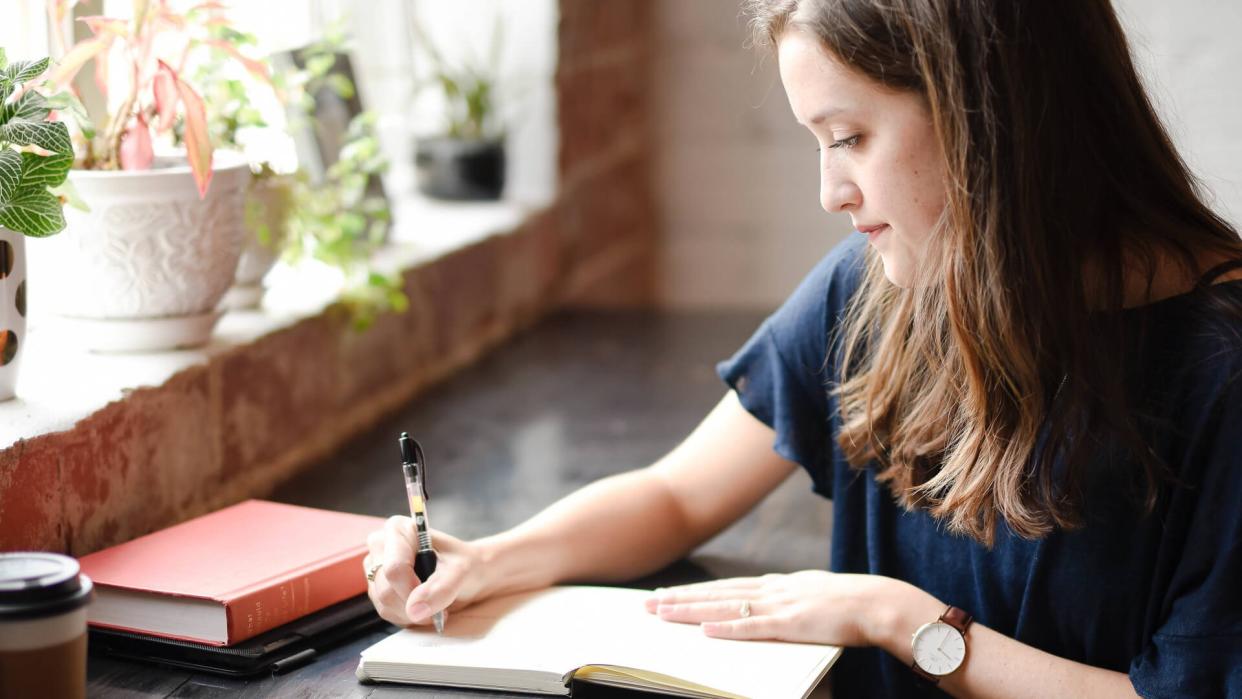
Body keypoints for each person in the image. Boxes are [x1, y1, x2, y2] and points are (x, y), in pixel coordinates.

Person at [365, 1, 1242, 696]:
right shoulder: (878, 288)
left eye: (851, 137)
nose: (831, 191)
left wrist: (901, 619)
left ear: (994, 114)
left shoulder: (1222, 371)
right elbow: (677, 494)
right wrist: (486, 559)